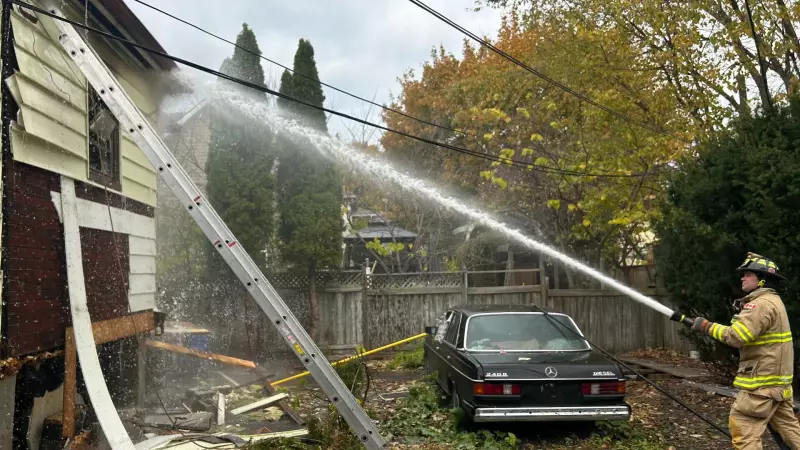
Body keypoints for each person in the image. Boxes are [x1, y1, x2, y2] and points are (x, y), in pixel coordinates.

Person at [688, 252, 800, 449]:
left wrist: (707, 326)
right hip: (778, 386)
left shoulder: (760, 304)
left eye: (748, 274)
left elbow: (737, 336)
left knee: (743, 428)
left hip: (761, 387)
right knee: (791, 431)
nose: (742, 278)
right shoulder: (774, 301)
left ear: (762, 279)